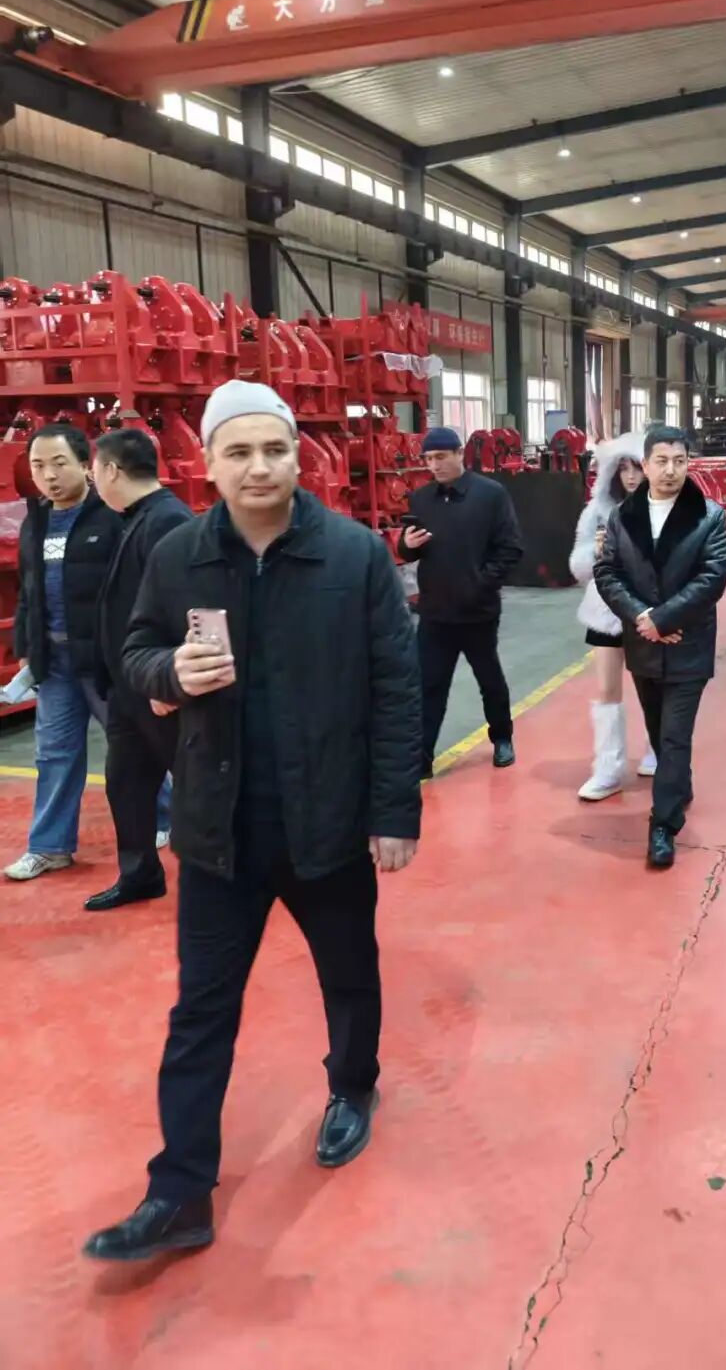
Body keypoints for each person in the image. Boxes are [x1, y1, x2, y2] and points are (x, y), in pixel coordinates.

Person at [83, 379, 421, 1262]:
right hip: (218, 828)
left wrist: (394, 810)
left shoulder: (353, 556)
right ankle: (179, 1191)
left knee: (348, 974)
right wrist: (169, 672)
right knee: (200, 1008)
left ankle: (353, 1085)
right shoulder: (180, 556)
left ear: (297, 457)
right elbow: (133, 650)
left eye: (275, 449)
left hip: (326, 821)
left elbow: (397, 688)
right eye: (239, 451)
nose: (259, 466)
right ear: (209, 462)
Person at [594, 425, 726, 869]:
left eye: (679, 461)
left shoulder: (709, 516)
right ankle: (680, 784)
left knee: (674, 736)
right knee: (657, 730)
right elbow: (607, 572)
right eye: (662, 461)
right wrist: (643, 618)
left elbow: (712, 578)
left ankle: (663, 825)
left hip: (689, 643)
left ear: (689, 464)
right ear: (646, 465)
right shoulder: (623, 517)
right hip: (644, 646)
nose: (671, 470)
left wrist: (664, 619)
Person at [4, 424, 122, 882]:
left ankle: (167, 816)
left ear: (84, 465)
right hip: (53, 663)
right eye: (38, 466)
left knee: (132, 746)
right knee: (54, 753)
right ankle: (49, 847)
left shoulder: (111, 518)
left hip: (104, 660)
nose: (49, 476)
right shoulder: (35, 522)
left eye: (59, 464)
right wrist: (26, 647)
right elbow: (28, 592)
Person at [86, 428, 193, 912]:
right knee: (126, 784)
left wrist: (167, 679)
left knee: (196, 784)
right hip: (129, 690)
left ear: (111, 470)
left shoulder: (167, 521)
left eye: (94, 468)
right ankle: (140, 874)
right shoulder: (134, 519)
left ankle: (232, 876)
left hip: (159, 689)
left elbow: (185, 606)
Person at [398, 426, 523, 778]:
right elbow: (408, 550)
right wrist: (407, 545)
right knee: (428, 686)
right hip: (435, 613)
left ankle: (502, 738)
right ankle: (422, 755)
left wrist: (480, 585)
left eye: (440, 457)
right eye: (428, 459)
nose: (434, 465)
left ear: (458, 454)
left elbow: (511, 548)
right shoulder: (421, 499)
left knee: (489, 680)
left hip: (478, 613)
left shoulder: (491, 495)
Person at [568, 432, 656, 800]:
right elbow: (577, 566)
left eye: (637, 467)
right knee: (606, 689)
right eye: (623, 469)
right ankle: (608, 768)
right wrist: (597, 552)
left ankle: (658, 750)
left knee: (653, 687)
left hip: (649, 613)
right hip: (605, 612)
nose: (631, 476)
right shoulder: (597, 512)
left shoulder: (666, 510)